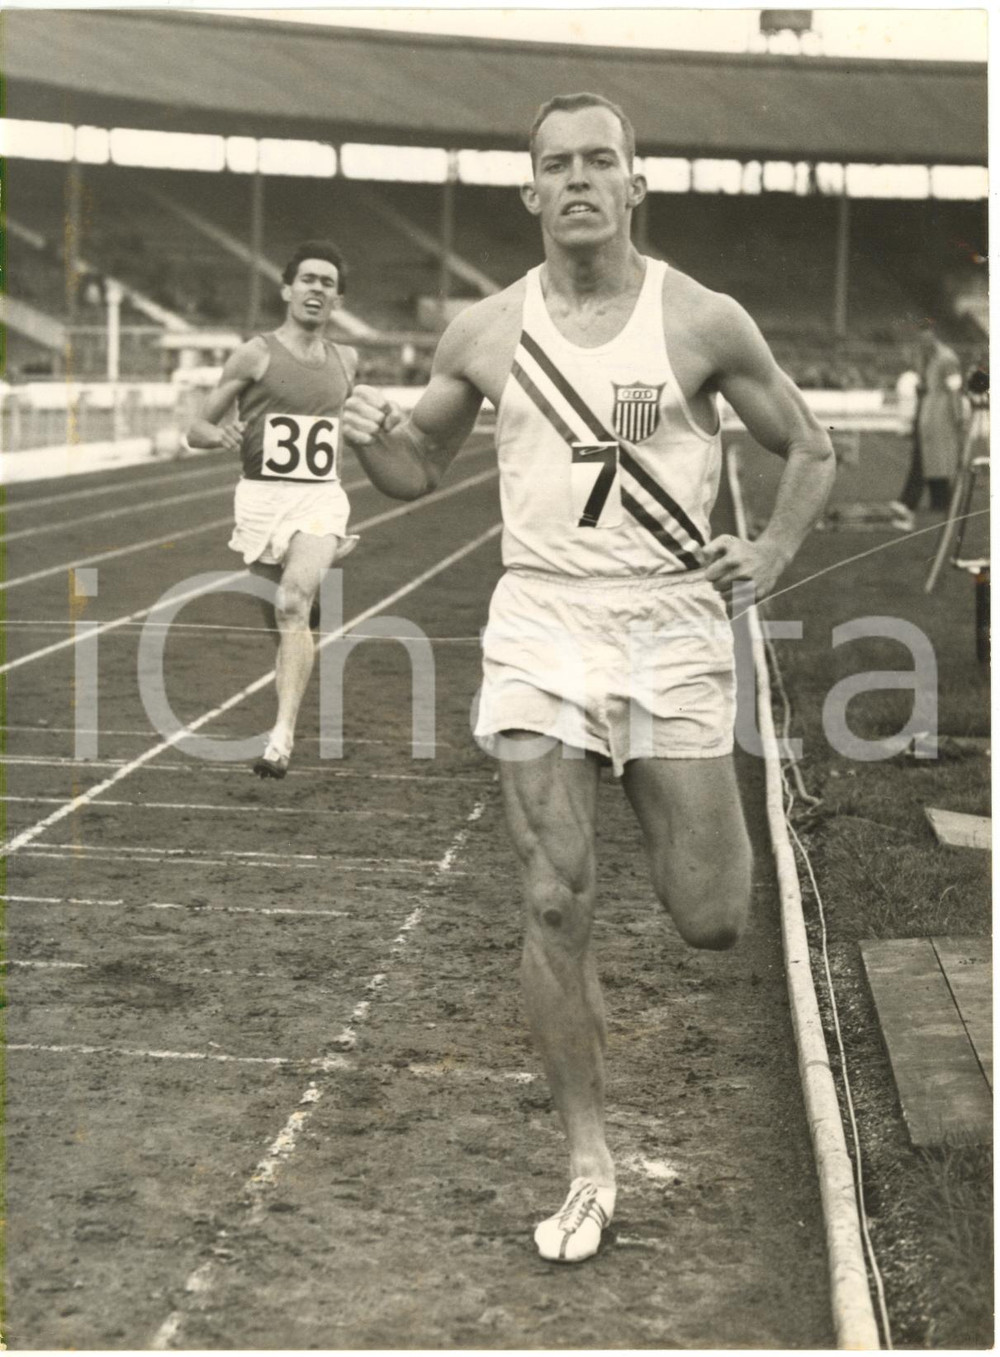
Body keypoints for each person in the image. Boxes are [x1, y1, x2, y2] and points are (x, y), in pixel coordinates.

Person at [343, 93, 836, 1263]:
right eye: (555, 165)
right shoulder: (482, 330)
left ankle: (659, 828)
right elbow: (416, 467)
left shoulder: (701, 320)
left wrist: (765, 550)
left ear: (633, 184)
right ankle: (585, 1159)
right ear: (529, 192)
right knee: (554, 896)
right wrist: (372, 431)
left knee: (712, 916)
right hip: (541, 623)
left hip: (668, 626)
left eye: (598, 162)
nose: (577, 181)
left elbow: (807, 447)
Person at [187, 240, 358, 778]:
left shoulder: (347, 360)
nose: (317, 290)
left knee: (291, 603)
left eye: (327, 283)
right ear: (287, 289)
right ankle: (301, 634)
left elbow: (344, 425)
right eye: (308, 279)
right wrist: (220, 435)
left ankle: (280, 739)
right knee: (283, 620)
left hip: (319, 498)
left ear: (337, 299)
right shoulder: (255, 353)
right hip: (261, 500)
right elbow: (196, 428)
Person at [897, 323, 967, 514]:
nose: (923, 342)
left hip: (942, 415)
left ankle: (940, 500)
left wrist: (958, 415)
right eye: (920, 339)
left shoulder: (947, 359)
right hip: (926, 412)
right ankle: (937, 501)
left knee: (939, 458)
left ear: (934, 336)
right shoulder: (924, 357)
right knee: (930, 458)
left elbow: (954, 389)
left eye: (926, 338)